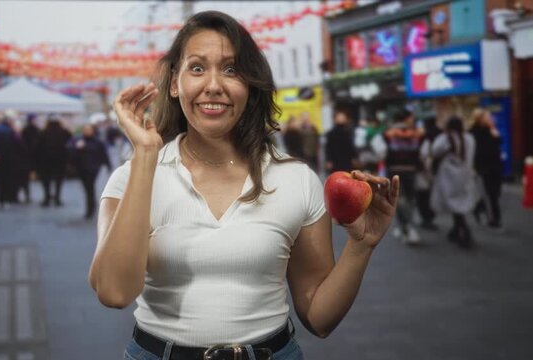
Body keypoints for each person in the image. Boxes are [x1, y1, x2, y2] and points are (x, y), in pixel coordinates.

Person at [88, 11, 400, 360]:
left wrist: (361, 246)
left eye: (231, 69)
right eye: (196, 68)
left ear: (250, 84)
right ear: (174, 83)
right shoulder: (130, 178)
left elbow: (319, 318)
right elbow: (114, 292)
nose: (214, 85)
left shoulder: (295, 179)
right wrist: (146, 155)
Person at [430, 116, 478, 249]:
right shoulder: (469, 138)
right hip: (465, 175)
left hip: (448, 175)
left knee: (454, 204)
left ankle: (462, 230)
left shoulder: (444, 138)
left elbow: (435, 151)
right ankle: (457, 229)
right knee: (460, 203)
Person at [378, 109, 424, 245]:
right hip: (411, 170)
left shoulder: (387, 134)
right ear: (406, 119)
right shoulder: (417, 133)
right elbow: (424, 152)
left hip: (393, 171)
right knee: (410, 199)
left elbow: (380, 153)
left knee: (399, 200)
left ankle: (403, 227)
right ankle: (409, 227)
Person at [66, 124, 111, 219]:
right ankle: (91, 206)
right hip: (82, 168)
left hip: (93, 168)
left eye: (89, 130)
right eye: (85, 130)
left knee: (89, 187)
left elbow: (103, 154)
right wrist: (77, 148)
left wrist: (108, 165)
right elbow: (69, 150)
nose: (87, 131)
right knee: (88, 188)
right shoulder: (78, 140)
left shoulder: (97, 142)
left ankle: (90, 208)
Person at [469, 108, 503, 229]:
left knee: (496, 192)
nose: (490, 119)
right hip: (483, 165)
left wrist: (494, 131)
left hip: (495, 165)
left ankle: (479, 207)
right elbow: (474, 151)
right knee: (491, 193)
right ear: (480, 119)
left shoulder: (491, 130)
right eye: (487, 117)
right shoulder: (474, 132)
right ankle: (494, 219)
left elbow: (498, 142)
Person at [416, 116, 441, 230]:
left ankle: (426, 217)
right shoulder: (440, 134)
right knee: (431, 193)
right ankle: (430, 216)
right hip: (438, 170)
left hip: (425, 170)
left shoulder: (423, 137)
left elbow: (423, 154)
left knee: (423, 195)